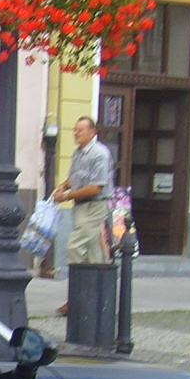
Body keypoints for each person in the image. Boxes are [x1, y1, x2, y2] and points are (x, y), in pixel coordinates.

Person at [52, 116, 113, 315]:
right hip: (80, 207)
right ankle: (99, 297)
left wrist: (67, 196)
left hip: (94, 206)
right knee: (94, 254)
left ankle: (79, 297)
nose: (76, 133)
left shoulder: (99, 154)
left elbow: (96, 187)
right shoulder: (78, 153)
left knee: (75, 247)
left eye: (80, 130)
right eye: (75, 130)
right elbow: (76, 176)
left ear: (92, 131)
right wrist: (63, 186)